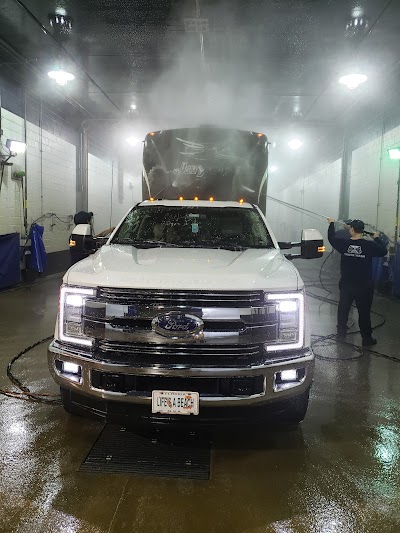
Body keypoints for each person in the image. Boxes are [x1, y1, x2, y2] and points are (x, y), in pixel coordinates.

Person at [327, 218, 387, 347]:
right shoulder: (369, 246)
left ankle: (341, 335)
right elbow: (383, 251)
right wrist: (376, 238)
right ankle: (366, 339)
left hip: (346, 285)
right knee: (364, 312)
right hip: (364, 286)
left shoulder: (344, 244)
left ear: (352, 230)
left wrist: (331, 224)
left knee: (343, 310)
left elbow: (331, 238)